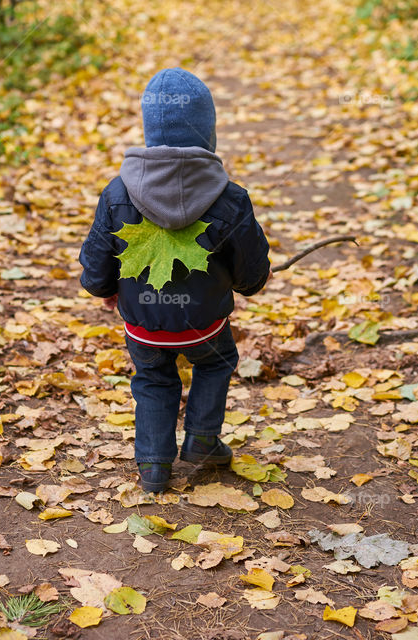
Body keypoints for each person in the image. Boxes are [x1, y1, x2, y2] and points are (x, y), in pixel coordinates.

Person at [79, 68, 271, 493]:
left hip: (143, 326)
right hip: (205, 324)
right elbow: (251, 273)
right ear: (208, 132)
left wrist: (106, 288)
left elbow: (95, 268)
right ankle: (202, 438)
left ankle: (152, 466)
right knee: (215, 363)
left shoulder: (117, 194)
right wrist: (251, 283)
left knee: (153, 379)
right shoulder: (231, 198)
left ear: (149, 131)